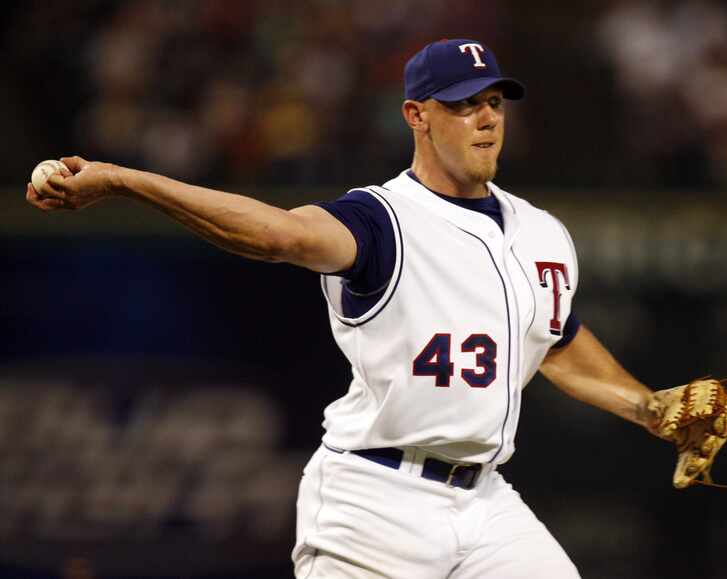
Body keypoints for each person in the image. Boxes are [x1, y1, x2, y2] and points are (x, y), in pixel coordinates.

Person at [27, 39, 665, 579]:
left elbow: (554, 338)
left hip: (487, 502)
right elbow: (279, 234)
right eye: (463, 104)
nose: (487, 118)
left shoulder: (541, 232)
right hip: (374, 502)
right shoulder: (381, 219)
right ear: (417, 115)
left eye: (494, 102)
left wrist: (647, 407)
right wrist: (125, 181)